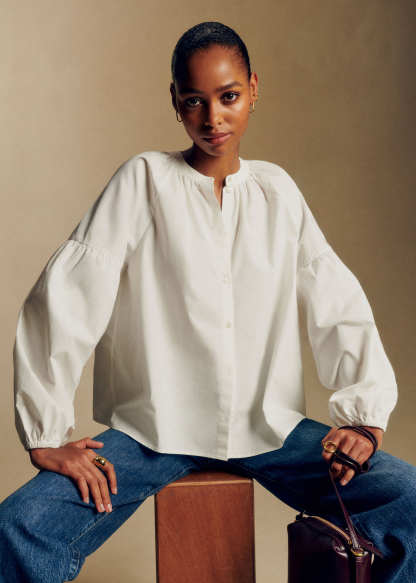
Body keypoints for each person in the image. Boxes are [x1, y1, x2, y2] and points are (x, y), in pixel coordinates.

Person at [0, 20, 414, 583]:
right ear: (176, 101)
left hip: (269, 430)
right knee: (22, 524)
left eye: (229, 96)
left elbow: (336, 302)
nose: (213, 117)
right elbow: (66, 298)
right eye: (194, 100)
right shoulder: (143, 180)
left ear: (253, 90)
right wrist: (46, 435)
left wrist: (363, 420)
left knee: (408, 500)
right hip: (152, 434)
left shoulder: (277, 192)